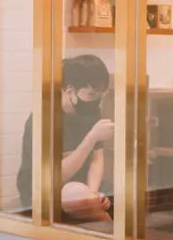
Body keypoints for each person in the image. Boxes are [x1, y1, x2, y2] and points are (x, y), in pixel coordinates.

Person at [16, 54, 114, 221]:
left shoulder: (90, 112)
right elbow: (55, 176)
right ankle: (110, 230)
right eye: (92, 94)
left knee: (121, 190)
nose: (96, 100)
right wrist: (91, 138)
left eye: (101, 94)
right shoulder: (43, 119)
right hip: (43, 189)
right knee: (73, 192)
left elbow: (97, 158)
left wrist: (93, 193)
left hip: (82, 186)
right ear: (70, 91)